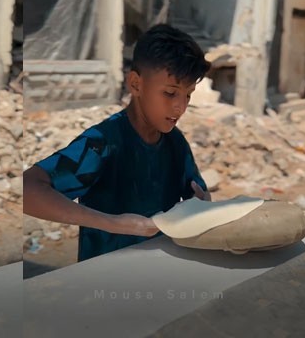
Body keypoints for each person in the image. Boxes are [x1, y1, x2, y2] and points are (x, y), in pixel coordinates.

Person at [23, 24, 211, 261]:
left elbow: (199, 194)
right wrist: (113, 223)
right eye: (170, 93)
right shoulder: (102, 143)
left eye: (188, 95)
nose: (180, 107)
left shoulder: (176, 143)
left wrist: (201, 202)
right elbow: (28, 190)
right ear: (135, 84)